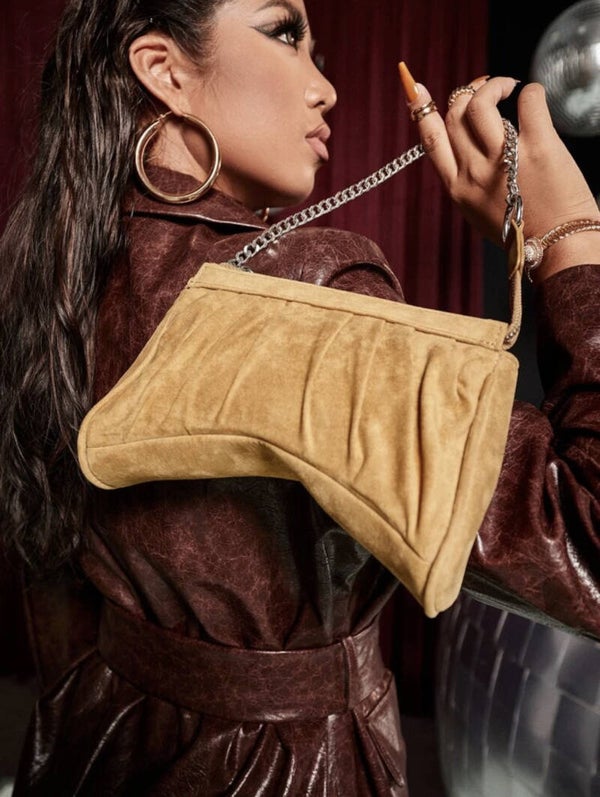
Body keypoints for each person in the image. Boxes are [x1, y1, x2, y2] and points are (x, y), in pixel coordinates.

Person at [0, 0, 598, 794]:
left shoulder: (62, 261)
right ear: (164, 71)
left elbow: (55, 579)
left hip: (95, 740)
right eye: (284, 33)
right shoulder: (309, 289)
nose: (327, 89)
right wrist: (571, 238)